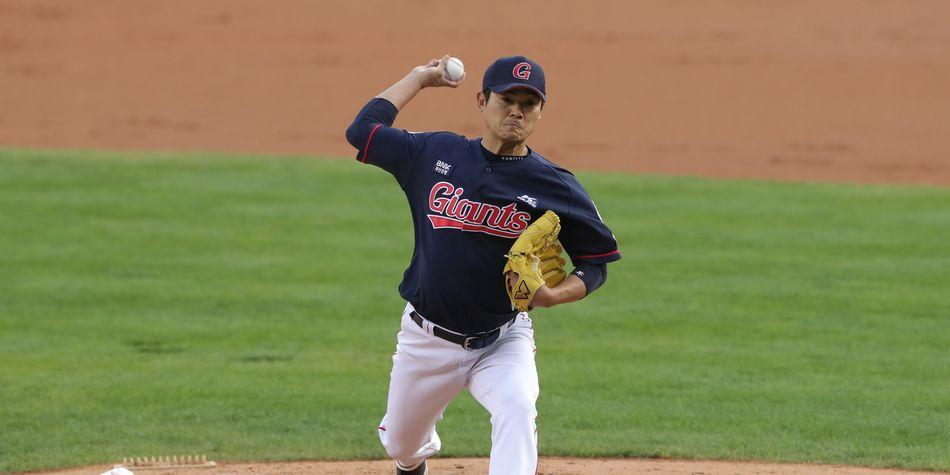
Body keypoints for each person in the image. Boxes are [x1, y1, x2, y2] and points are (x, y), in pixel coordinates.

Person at [345, 55, 621, 475]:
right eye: (507, 98)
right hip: (426, 339)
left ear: (540, 112)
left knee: (517, 406)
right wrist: (418, 79)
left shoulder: (556, 185)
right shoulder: (434, 152)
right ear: (481, 100)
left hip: (501, 339)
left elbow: (596, 260)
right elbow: (362, 132)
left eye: (529, 103)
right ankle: (412, 459)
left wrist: (554, 295)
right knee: (402, 443)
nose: (516, 110)